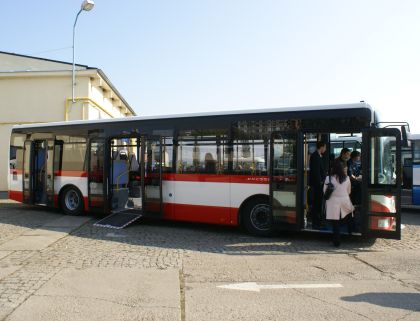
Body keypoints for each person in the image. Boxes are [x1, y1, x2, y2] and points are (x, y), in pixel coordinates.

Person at [324, 161, 355, 247]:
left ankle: (336, 242)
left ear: (333, 169)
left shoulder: (328, 178)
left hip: (333, 203)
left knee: (335, 223)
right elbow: (349, 191)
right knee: (349, 215)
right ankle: (350, 233)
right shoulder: (347, 178)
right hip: (345, 201)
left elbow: (324, 192)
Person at [309, 141, 327, 229]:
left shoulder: (319, 155)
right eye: (325, 147)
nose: (325, 149)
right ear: (322, 147)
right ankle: (315, 222)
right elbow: (316, 172)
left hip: (319, 183)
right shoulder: (315, 156)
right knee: (317, 203)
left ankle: (318, 221)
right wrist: (320, 182)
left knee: (319, 203)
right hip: (317, 184)